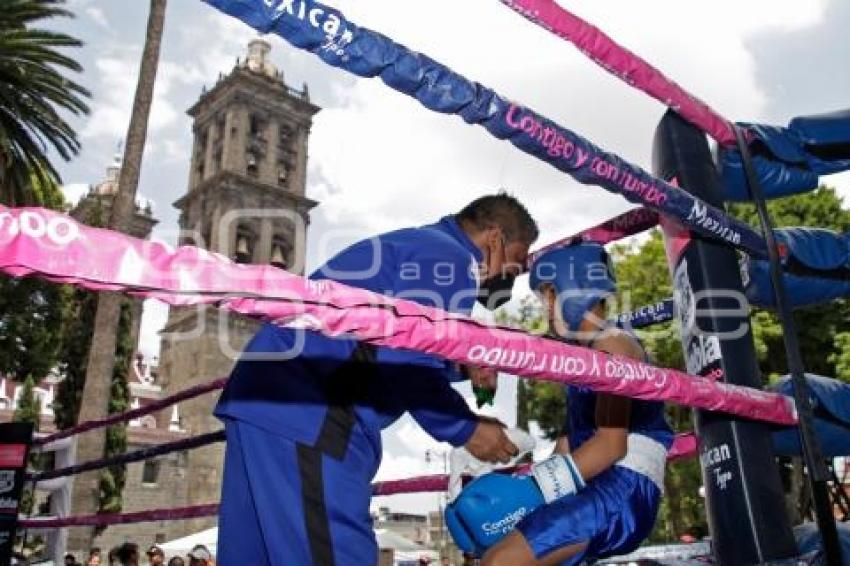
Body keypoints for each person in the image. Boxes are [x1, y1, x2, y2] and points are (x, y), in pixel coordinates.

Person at [216, 193, 539, 565]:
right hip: (312, 409)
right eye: (515, 265)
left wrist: (459, 366)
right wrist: (466, 427)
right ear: (495, 240)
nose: (510, 279)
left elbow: (379, 339)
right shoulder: (452, 260)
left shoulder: (417, 244)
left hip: (268, 401)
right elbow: (406, 352)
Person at [447, 243, 674, 565]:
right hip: (597, 482)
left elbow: (611, 445)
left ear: (571, 288)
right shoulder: (584, 355)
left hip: (622, 486)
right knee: (490, 550)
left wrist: (532, 490)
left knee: (501, 561)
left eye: (547, 294)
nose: (544, 307)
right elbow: (569, 444)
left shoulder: (612, 344)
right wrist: (526, 496)